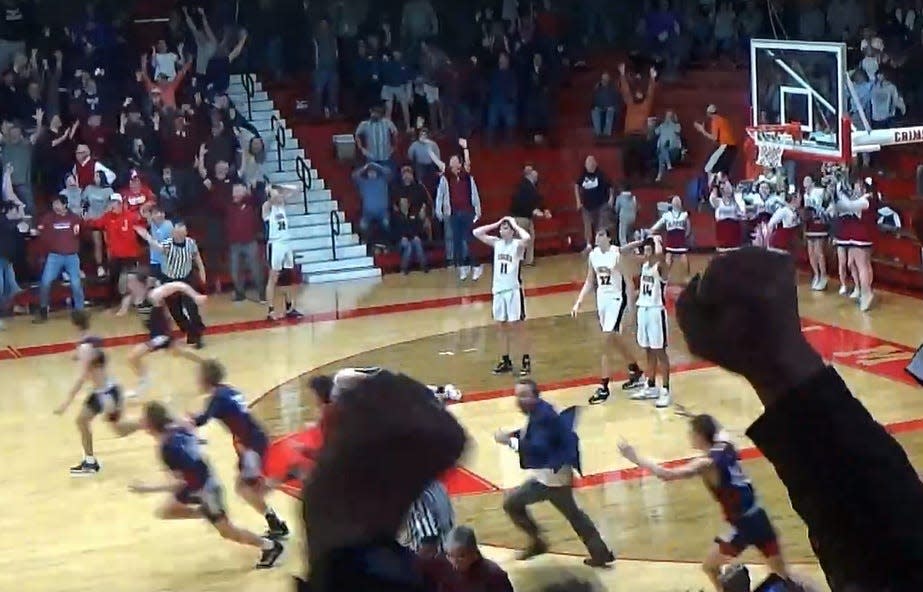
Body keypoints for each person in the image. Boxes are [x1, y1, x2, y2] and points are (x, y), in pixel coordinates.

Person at [675, 247, 923, 590]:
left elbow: (895, 552)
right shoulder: (723, 446)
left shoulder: (713, 456)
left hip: (754, 521)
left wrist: (775, 364)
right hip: (761, 518)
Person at [618, 414, 792, 591]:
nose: (689, 436)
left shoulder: (705, 463)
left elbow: (666, 474)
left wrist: (635, 458)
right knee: (783, 575)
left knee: (709, 567)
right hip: (759, 516)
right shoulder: (727, 446)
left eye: (691, 432)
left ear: (700, 435)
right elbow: (719, 429)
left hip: (742, 526)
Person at [129, 401, 285, 569]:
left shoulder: (167, 448)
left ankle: (270, 547)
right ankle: (204, 513)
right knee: (166, 510)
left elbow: (179, 483)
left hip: (205, 489)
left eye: (143, 419)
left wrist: (147, 489)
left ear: (151, 425)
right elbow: (191, 430)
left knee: (228, 532)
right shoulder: (176, 429)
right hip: (199, 481)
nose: (140, 421)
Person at [494, 379, 614, 567]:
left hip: (552, 479)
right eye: (517, 395)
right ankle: (600, 552)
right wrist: (515, 434)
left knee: (513, 504)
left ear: (536, 395)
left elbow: (538, 447)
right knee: (574, 515)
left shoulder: (544, 416)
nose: (519, 400)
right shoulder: (540, 411)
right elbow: (535, 434)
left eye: (524, 395)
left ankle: (538, 543)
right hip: (551, 475)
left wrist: (509, 442)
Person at [190, 359, 289, 539]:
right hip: (252, 441)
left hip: (251, 445)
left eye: (198, 377)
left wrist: (184, 421)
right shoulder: (229, 390)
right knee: (247, 487)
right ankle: (275, 520)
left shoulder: (217, 398)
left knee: (245, 489)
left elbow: (201, 420)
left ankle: (277, 520)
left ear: (205, 379)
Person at [571, 228, 646, 404]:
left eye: (602, 234)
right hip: (602, 301)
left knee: (605, 341)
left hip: (616, 299)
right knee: (613, 339)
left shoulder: (616, 255)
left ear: (609, 237)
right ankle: (635, 369)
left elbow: (628, 281)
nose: (598, 237)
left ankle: (604, 386)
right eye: (597, 234)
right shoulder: (594, 255)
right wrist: (579, 302)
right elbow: (590, 280)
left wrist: (630, 308)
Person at [54, 327, 143, 475]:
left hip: (106, 395)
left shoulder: (89, 353)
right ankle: (90, 462)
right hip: (102, 393)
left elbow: (81, 379)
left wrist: (66, 403)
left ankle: (149, 422)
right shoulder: (96, 352)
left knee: (119, 429)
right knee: (82, 421)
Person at [118, 273, 205, 396]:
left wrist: (195, 296)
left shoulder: (153, 295)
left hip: (162, 335)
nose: (128, 283)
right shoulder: (132, 297)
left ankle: (145, 382)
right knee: (179, 352)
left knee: (132, 356)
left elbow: (178, 285)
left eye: (131, 281)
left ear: (139, 283)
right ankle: (207, 363)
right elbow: (126, 305)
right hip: (155, 334)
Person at [473, 217, 532, 376]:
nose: (502, 230)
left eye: (506, 228)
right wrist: (497, 222)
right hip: (498, 291)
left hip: (513, 290)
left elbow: (527, 238)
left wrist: (514, 224)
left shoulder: (517, 246)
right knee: (501, 327)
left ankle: (525, 360)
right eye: (502, 228)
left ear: (512, 231)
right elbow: (476, 232)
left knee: (517, 327)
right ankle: (506, 360)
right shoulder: (497, 243)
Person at [635, 236, 671, 408]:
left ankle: (665, 390)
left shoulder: (660, 267)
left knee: (660, 351)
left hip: (656, 311)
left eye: (650, 250)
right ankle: (650, 385)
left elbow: (662, 259)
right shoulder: (644, 266)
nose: (647, 254)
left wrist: (657, 243)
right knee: (648, 349)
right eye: (646, 251)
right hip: (643, 309)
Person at [262, 184, 304, 321]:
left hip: (287, 243)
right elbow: (271, 199)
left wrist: (281, 187)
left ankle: (290, 307)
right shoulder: (267, 208)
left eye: (279, 194)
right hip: (276, 244)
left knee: (288, 278)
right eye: (276, 194)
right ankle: (271, 310)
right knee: (273, 277)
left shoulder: (282, 206)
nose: (279, 196)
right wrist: (271, 191)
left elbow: (297, 189)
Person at [648, 195, 690, 281]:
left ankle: (686, 276)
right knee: (669, 258)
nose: (677, 204)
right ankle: (666, 277)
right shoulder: (667, 215)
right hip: (672, 240)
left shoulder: (684, 215)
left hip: (679, 240)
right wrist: (652, 230)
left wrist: (687, 234)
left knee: (682, 258)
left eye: (678, 202)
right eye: (675, 202)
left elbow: (688, 226)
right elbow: (659, 224)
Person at [801, 176, 829, 291]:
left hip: (819, 223)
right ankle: (816, 274)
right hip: (809, 224)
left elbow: (827, 196)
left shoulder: (819, 191)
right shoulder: (804, 195)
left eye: (808, 180)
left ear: (812, 182)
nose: (805, 182)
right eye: (804, 181)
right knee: (811, 252)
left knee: (819, 252)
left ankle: (823, 275)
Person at [709, 179, 745, 253]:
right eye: (724, 187)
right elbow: (712, 196)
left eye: (728, 186)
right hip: (722, 231)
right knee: (723, 254)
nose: (727, 188)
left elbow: (742, 212)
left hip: (734, 231)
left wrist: (737, 195)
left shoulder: (737, 201)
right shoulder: (718, 201)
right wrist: (715, 183)